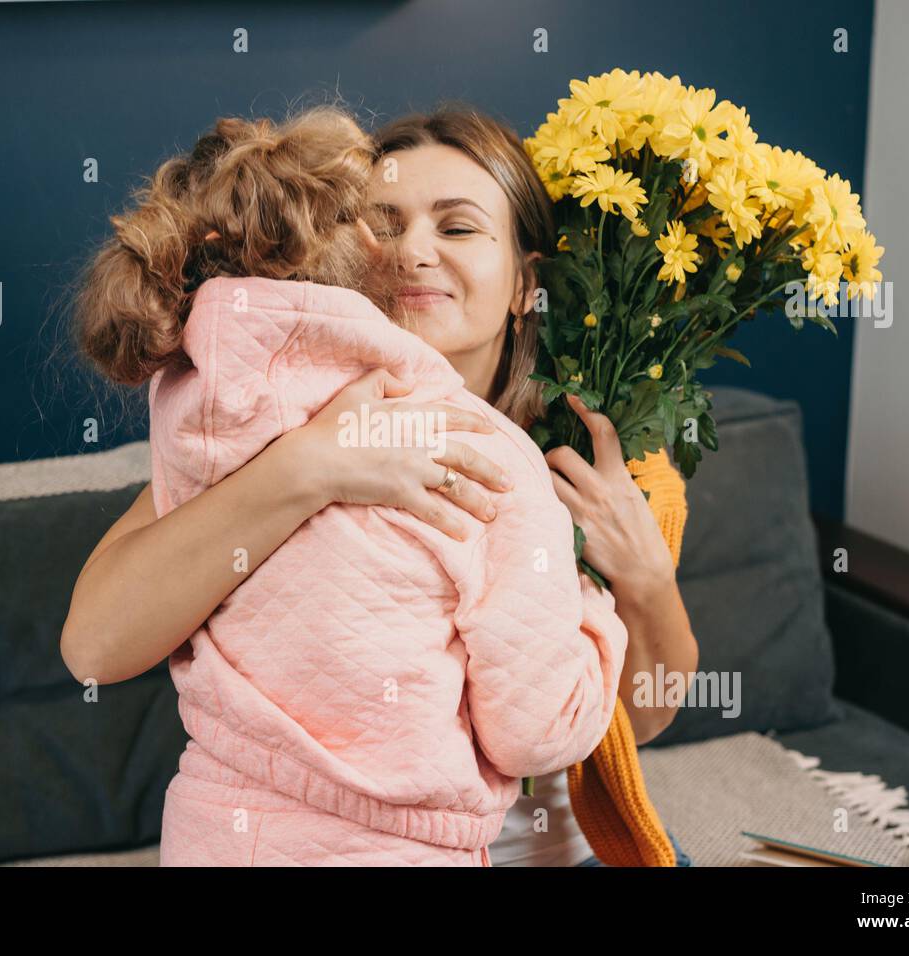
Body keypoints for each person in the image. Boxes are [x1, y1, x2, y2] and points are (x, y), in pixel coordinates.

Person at [61, 104, 699, 867]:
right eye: (386, 223)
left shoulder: (599, 457)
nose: (413, 253)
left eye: (457, 228)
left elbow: (646, 719)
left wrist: (649, 582)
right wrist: (310, 467)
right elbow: (93, 647)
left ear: (527, 282)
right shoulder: (264, 426)